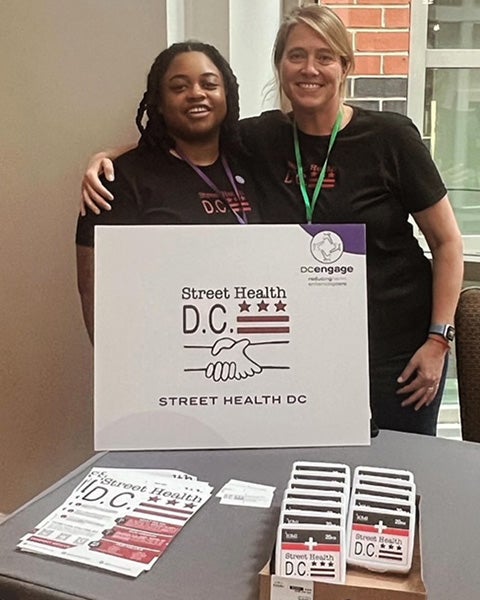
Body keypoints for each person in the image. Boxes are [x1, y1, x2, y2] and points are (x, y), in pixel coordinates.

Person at [79, 4, 463, 436]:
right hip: (305, 352)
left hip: (398, 350)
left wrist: (438, 340)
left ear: (345, 66)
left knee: (399, 474)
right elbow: (186, 138)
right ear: (279, 65)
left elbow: (448, 243)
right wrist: (107, 159)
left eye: (324, 56)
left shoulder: (391, 138)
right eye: (296, 55)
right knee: (316, 475)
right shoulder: (260, 138)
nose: (309, 69)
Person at [75, 41, 261, 343]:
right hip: (161, 359)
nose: (197, 93)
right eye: (179, 87)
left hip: (249, 350)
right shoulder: (119, 179)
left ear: (227, 93)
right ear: (159, 102)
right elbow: (94, 293)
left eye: (210, 84)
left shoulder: (255, 165)